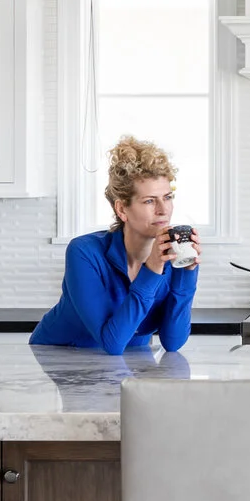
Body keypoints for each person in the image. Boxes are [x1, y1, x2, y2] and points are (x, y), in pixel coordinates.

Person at [31, 135, 200, 355]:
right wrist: (151, 270)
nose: (163, 209)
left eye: (167, 197)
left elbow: (173, 342)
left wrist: (187, 272)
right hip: (56, 358)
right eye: (149, 200)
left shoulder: (170, 253)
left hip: (125, 363)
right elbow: (111, 343)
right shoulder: (84, 252)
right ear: (121, 210)